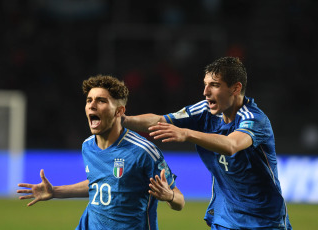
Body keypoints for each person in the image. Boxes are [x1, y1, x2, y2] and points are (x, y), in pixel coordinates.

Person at [122, 57, 292, 230]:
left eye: (215, 85)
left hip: (264, 221)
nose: (205, 91)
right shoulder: (204, 110)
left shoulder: (254, 119)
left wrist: (187, 133)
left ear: (235, 88)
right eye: (205, 84)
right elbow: (159, 120)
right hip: (225, 219)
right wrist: (121, 120)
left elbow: (230, 145)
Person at [17, 75, 185, 230]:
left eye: (101, 101)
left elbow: (180, 201)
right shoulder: (88, 146)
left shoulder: (143, 152)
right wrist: (55, 192)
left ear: (119, 111)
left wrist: (169, 195)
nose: (92, 105)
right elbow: (100, 184)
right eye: (89, 100)